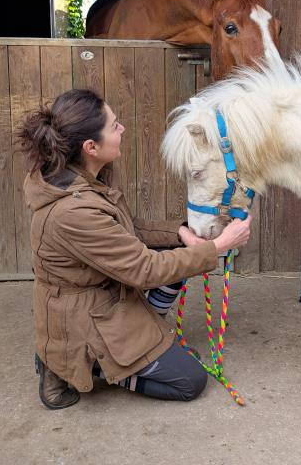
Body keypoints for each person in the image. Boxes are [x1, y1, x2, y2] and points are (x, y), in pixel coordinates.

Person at [18, 88, 251, 409]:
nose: (122, 129)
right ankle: (90, 366)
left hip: (106, 293)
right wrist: (219, 246)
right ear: (90, 147)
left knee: (178, 246)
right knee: (191, 381)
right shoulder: (73, 212)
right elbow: (144, 270)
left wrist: (179, 232)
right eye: (114, 126)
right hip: (87, 316)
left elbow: (125, 230)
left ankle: (147, 338)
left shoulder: (80, 177)